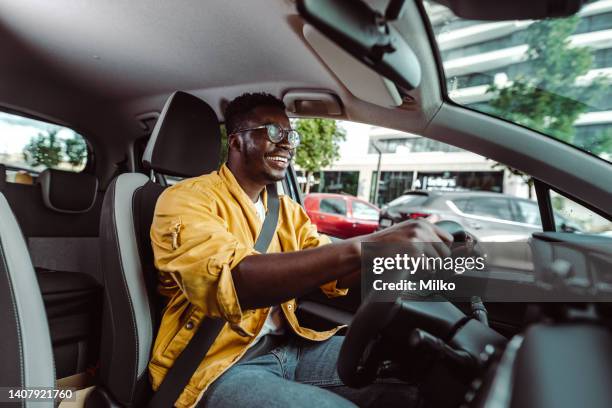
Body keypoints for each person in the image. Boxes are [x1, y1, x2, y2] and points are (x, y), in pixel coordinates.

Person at [148, 92, 453, 408]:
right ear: (237, 142)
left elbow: (332, 274)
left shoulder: (287, 212)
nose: (287, 144)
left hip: (292, 346)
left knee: (420, 374)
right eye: (273, 132)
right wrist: (367, 245)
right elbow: (235, 282)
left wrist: (392, 255)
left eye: (290, 134)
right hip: (217, 366)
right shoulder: (185, 200)